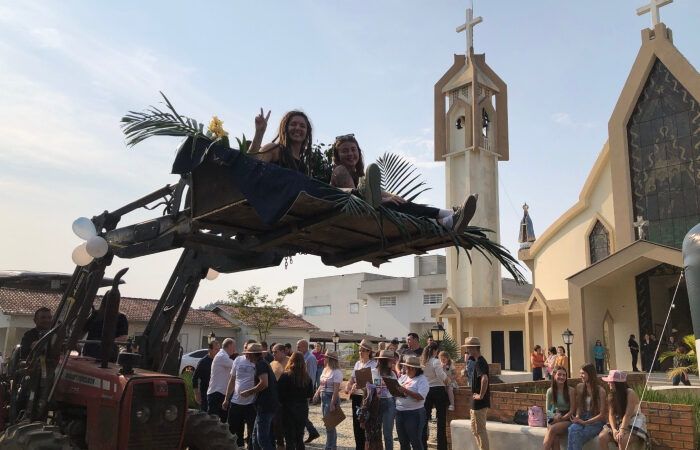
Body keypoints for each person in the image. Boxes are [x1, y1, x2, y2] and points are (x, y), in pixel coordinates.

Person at [329, 134, 477, 228]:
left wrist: (392, 197)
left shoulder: (359, 177)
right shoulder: (340, 171)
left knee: (400, 203)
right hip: (350, 216)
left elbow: (375, 193)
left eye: (353, 149)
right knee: (394, 206)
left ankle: (447, 216)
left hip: (365, 213)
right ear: (338, 155)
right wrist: (385, 201)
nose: (350, 153)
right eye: (345, 150)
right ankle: (447, 218)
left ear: (358, 152)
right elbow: (357, 199)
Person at [240, 343, 279, 450]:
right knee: (255, 438)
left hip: (265, 406)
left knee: (262, 438)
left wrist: (249, 392)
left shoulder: (260, 364)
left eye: (248, 354)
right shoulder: (263, 363)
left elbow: (264, 383)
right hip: (265, 405)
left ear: (253, 355)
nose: (246, 356)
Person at [597, 370, 648, 449]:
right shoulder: (611, 394)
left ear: (617, 383)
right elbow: (611, 414)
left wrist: (621, 431)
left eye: (610, 381)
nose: (608, 383)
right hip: (619, 420)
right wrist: (614, 430)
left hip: (633, 421)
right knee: (602, 437)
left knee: (622, 439)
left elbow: (628, 414)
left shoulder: (630, 393)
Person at [252, 110, 313, 175]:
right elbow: (250, 168)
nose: (297, 128)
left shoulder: (304, 168)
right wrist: (259, 133)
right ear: (285, 128)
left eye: (302, 126)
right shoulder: (273, 149)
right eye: (293, 124)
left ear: (307, 132)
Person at [223, 341, 257, 448]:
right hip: (236, 401)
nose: (245, 351)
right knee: (233, 429)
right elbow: (232, 380)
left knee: (252, 430)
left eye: (247, 348)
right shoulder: (238, 360)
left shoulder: (257, 362)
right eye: (244, 348)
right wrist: (226, 398)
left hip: (251, 403)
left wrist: (251, 392)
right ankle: (237, 446)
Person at [345, 339, 377, 450]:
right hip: (356, 397)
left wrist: (359, 385)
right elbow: (352, 378)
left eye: (363, 350)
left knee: (365, 424)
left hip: (366, 398)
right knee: (356, 424)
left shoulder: (373, 365)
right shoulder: (358, 363)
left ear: (368, 352)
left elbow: (371, 382)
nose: (360, 352)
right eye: (359, 350)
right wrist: (348, 386)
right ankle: (359, 447)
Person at [278, 351, 314, 450]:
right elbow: (309, 395)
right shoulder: (307, 378)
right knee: (299, 438)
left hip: (287, 409)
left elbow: (279, 394)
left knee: (289, 438)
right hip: (302, 409)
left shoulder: (285, 376)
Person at [567, 363, 607, 450]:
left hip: (596, 421)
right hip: (583, 417)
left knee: (577, 435)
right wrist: (577, 416)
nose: (581, 375)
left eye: (583, 373)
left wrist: (586, 422)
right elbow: (579, 406)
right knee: (572, 429)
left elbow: (602, 414)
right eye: (580, 373)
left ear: (590, 374)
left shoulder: (601, 391)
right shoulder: (580, 387)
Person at [395, 355, 430, 450]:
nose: (406, 370)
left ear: (415, 369)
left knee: (415, 441)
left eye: (408, 368)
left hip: (414, 413)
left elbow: (420, 397)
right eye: (405, 367)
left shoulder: (422, 380)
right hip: (400, 412)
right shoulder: (403, 377)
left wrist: (405, 391)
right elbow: (397, 389)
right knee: (403, 442)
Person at [462, 337, 490, 450]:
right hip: (476, 402)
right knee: (475, 430)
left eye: (469, 348)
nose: (467, 350)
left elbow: (485, 379)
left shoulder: (480, 362)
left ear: (474, 348)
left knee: (480, 430)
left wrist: (481, 395)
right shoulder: (476, 361)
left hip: (480, 402)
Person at [421, 343, 449, 450]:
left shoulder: (423, 361)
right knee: (441, 420)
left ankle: (423, 446)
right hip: (438, 390)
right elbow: (441, 375)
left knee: (424, 419)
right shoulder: (435, 361)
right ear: (435, 351)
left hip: (427, 390)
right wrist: (449, 382)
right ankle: (442, 447)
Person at [313, 350, 342, 450]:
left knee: (330, 425)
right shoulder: (325, 369)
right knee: (328, 425)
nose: (324, 358)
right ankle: (331, 446)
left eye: (325, 357)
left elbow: (336, 390)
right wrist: (317, 393)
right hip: (323, 397)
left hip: (330, 398)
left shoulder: (337, 372)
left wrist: (332, 403)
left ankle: (330, 447)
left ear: (330, 359)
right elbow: (321, 384)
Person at [542, 366, 575, 450]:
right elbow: (548, 410)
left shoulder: (571, 390)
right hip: (555, 417)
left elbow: (572, 410)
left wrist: (560, 419)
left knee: (552, 430)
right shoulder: (550, 391)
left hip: (568, 418)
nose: (562, 377)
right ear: (554, 375)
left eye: (564, 375)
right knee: (555, 438)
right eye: (559, 374)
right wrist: (553, 417)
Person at [297, 339, 321, 444]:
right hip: (299, 390)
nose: (297, 348)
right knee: (301, 414)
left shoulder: (310, 358)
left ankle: (310, 432)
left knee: (301, 414)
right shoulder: (302, 357)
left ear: (305, 347)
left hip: (304, 392)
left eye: (299, 347)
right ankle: (312, 432)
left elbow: (310, 377)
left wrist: (308, 393)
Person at [208, 338, 236, 422]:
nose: (234, 350)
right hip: (217, 393)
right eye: (234, 347)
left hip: (220, 393)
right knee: (213, 422)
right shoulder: (222, 356)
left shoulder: (224, 356)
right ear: (229, 346)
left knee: (221, 422)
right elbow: (236, 365)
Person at [375, 349, 398, 450]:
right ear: (384, 361)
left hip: (389, 403)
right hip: (376, 403)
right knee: (376, 432)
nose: (392, 363)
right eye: (390, 361)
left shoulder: (392, 374)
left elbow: (396, 392)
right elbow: (365, 388)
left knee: (387, 434)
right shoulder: (372, 372)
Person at [192, 340, 221, 412]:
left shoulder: (220, 361)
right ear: (210, 350)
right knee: (206, 415)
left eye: (219, 349)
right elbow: (195, 378)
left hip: (217, 393)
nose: (218, 351)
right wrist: (196, 394)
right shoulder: (203, 362)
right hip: (205, 393)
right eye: (216, 349)